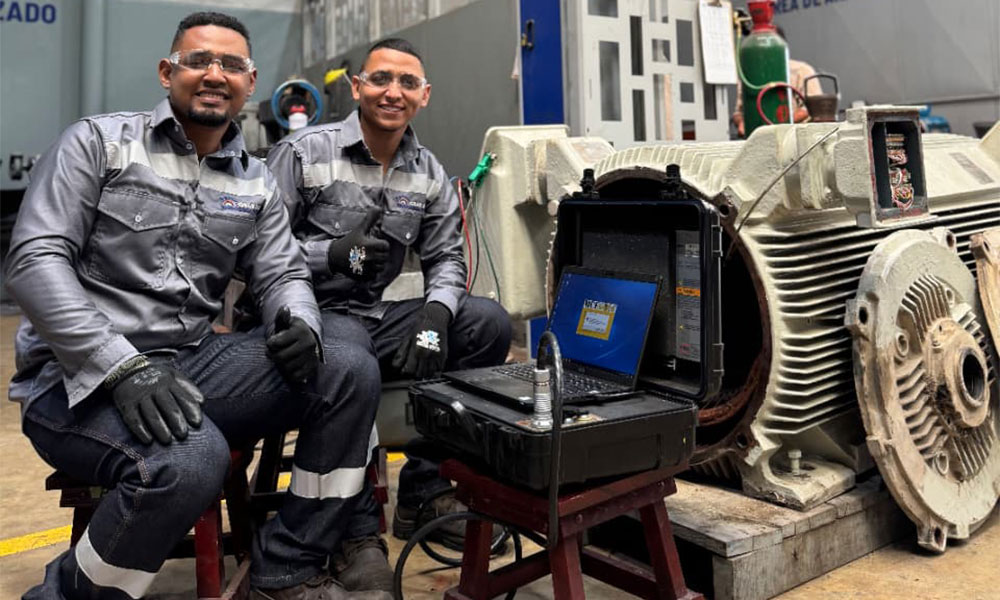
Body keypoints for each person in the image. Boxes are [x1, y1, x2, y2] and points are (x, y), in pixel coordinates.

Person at [5, 12, 389, 600]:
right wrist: (121, 365)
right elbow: (35, 260)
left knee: (346, 365)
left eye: (231, 65)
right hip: (74, 379)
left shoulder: (253, 183)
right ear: (167, 72)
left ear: (250, 82)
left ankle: (287, 566)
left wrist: (298, 322)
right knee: (190, 459)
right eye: (199, 61)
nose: (215, 75)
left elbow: (283, 270)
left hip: (190, 360)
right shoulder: (98, 143)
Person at [266, 38, 512, 592]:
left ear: (424, 96)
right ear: (357, 88)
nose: (392, 92)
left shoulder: (427, 172)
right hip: (311, 316)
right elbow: (258, 249)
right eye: (379, 79)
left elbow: (447, 257)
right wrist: (328, 254)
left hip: (377, 314)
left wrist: (435, 315)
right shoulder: (305, 152)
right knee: (354, 361)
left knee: (488, 322)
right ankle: (357, 532)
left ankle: (426, 491)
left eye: (406, 83)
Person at [732, 25, 822, 137]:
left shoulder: (802, 71)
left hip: (796, 137)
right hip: (757, 138)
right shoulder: (748, 76)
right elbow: (738, 112)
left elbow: (814, 108)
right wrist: (741, 123)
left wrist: (779, 125)